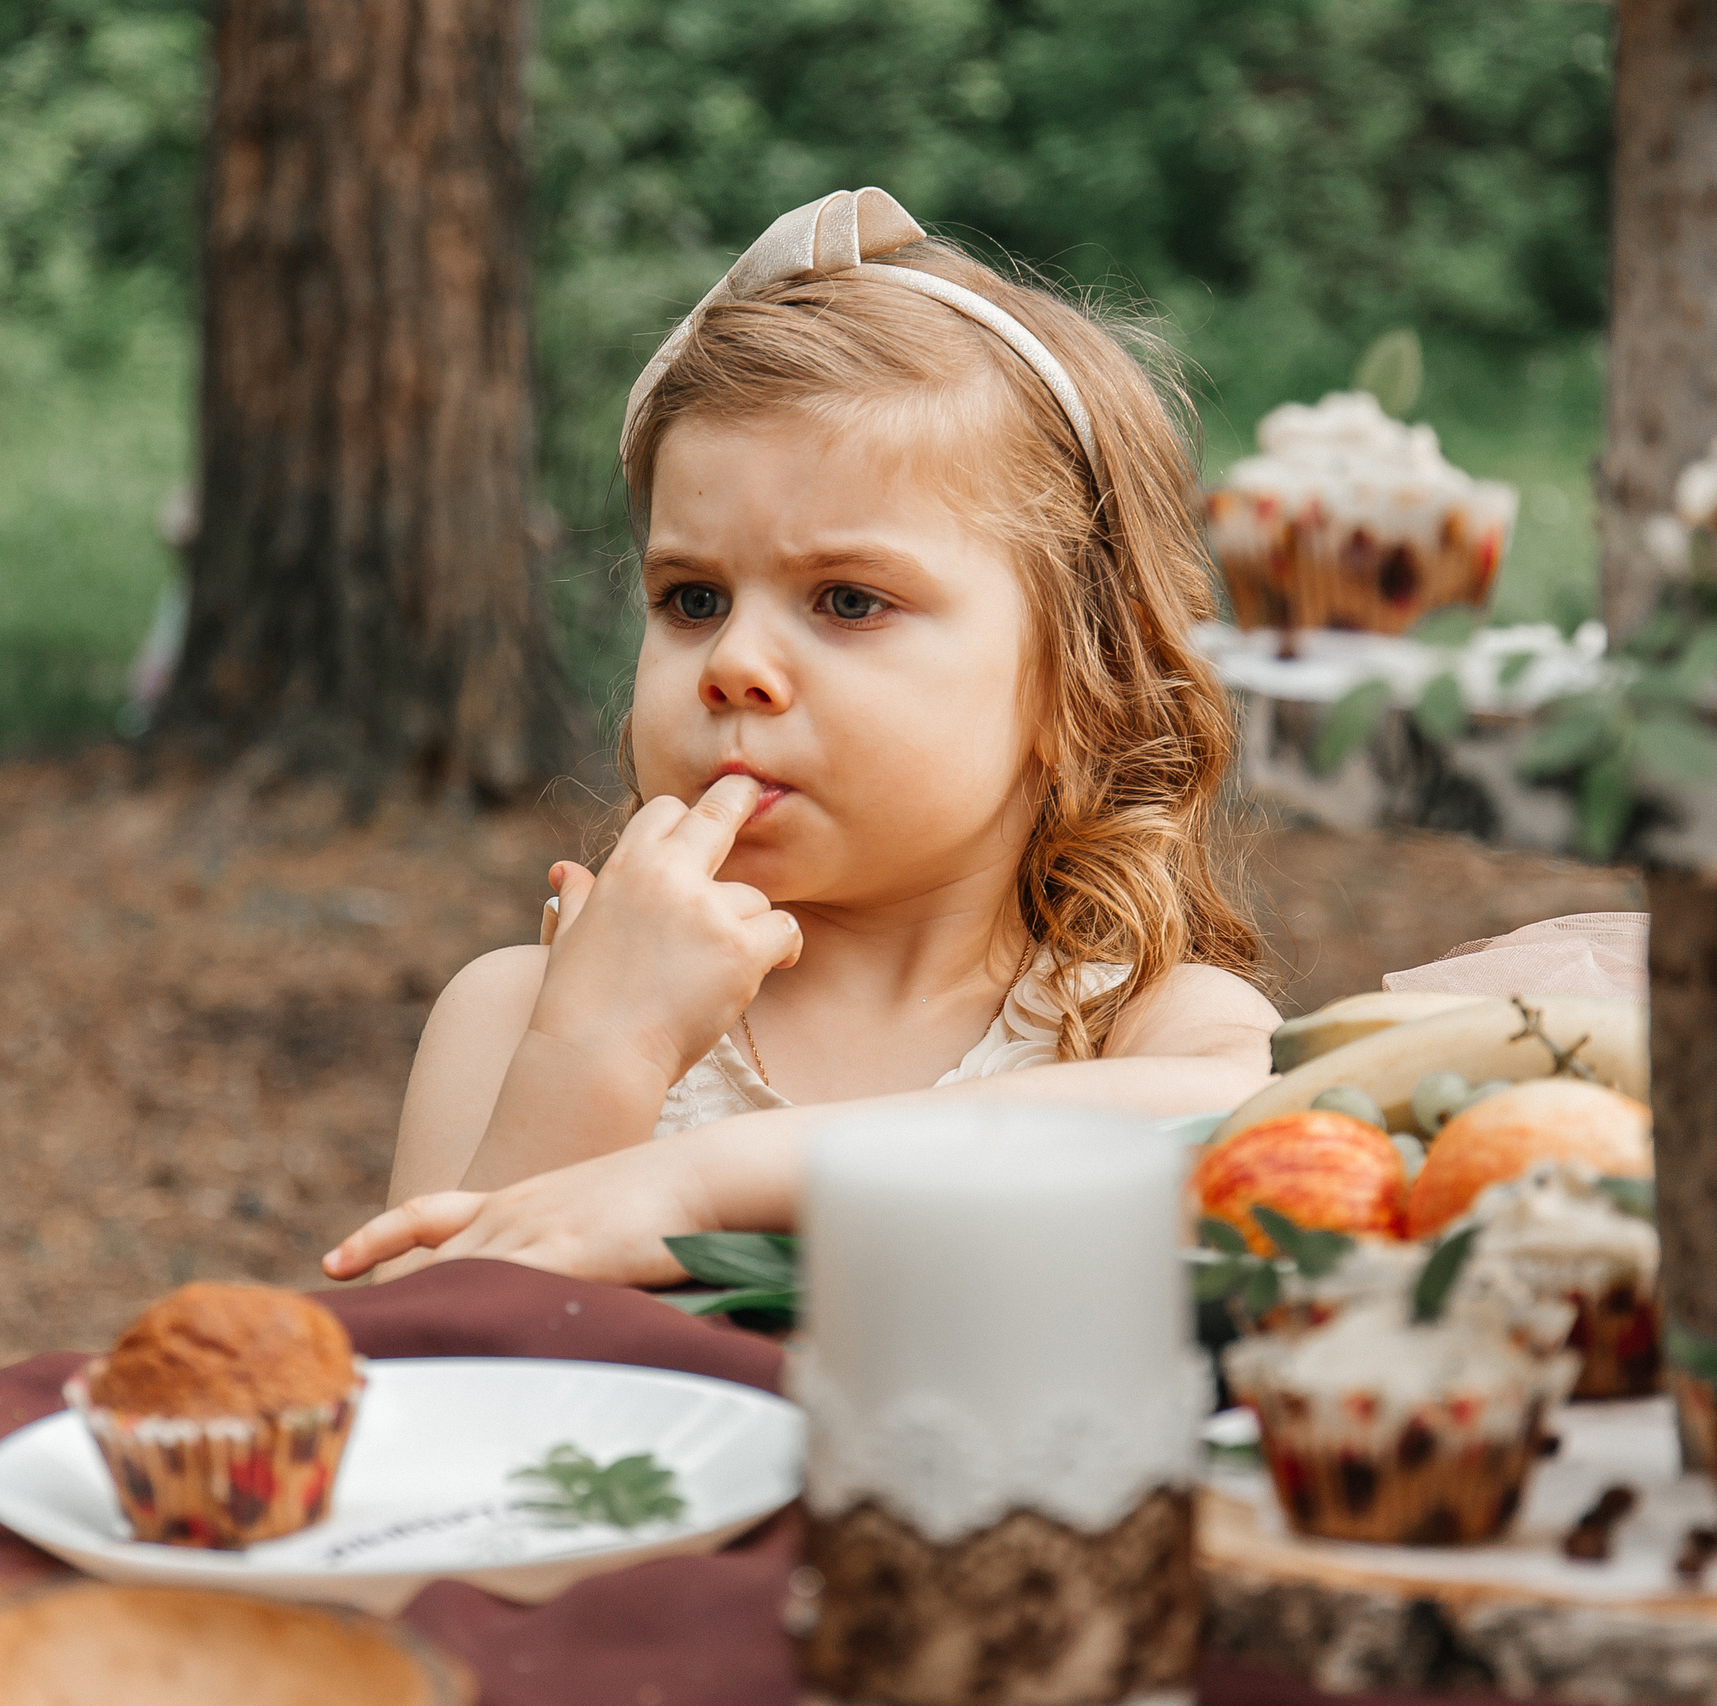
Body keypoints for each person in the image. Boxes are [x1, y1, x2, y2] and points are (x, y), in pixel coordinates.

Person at [323, 190, 1279, 1288]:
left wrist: (699, 1185)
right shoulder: (518, 1014)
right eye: (691, 599)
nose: (733, 662)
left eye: (847, 601)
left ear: (1080, 684)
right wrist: (598, 1062)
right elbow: (430, 1384)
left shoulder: (1133, 1023)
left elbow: (1240, 1117)